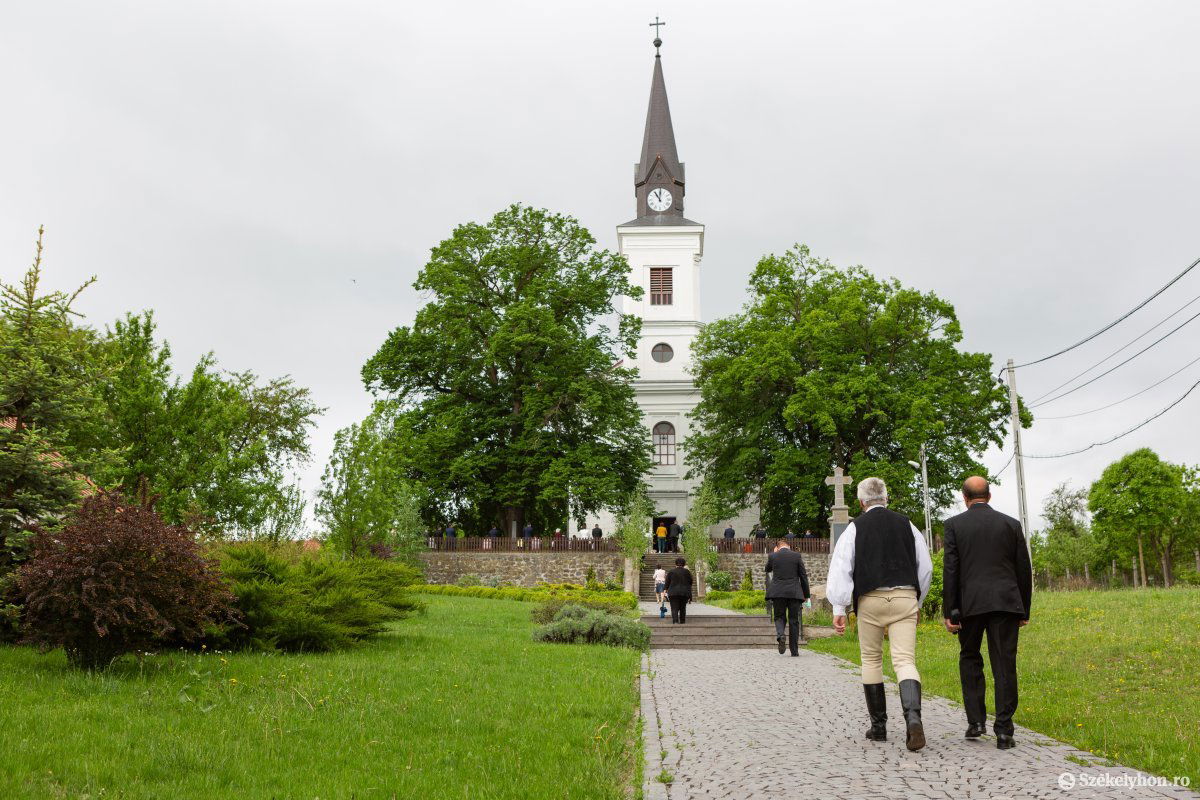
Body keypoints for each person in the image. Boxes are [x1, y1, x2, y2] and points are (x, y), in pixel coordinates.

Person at [828, 477, 933, 751]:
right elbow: (926, 568)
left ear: (861, 502)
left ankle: (879, 728)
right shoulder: (907, 525)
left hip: (870, 599)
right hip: (904, 597)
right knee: (905, 660)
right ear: (886, 499)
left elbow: (842, 568)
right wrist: (917, 601)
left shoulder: (854, 529)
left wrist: (839, 607)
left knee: (871, 660)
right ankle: (913, 721)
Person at [942, 476, 1033, 750]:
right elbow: (1023, 570)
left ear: (965, 497)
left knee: (970, 657)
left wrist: (950, 610)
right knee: (1004, 663)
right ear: (989, 496)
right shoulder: (1011, 525)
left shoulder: (954, 525)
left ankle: (976, 722)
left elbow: (951, 570)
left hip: (969, 605)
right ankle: (1004, 731)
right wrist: (1024, 609)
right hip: (1006, 603)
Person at [766, 539, 810, 656]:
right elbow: (803, 575)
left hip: (778, 593)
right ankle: (794, 651)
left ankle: (781, 635)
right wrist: (806, 595)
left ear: (778, 547)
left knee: (779, 617)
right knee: (794, 621)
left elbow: (767, 569)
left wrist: (774, 553)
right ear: (788, 546)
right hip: (794, 593)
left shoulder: (773, 556)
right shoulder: (796, 556)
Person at [665, 557, 693, 624]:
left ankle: (675, 621)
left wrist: (665, 591)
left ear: (676, 563)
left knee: (674, 607)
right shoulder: (687, 572)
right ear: (684, 564)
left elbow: (667, 583)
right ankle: (682, 621)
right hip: (684, 592)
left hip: (673, 592)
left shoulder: (671, 571)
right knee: (683, 607)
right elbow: (690, 582)